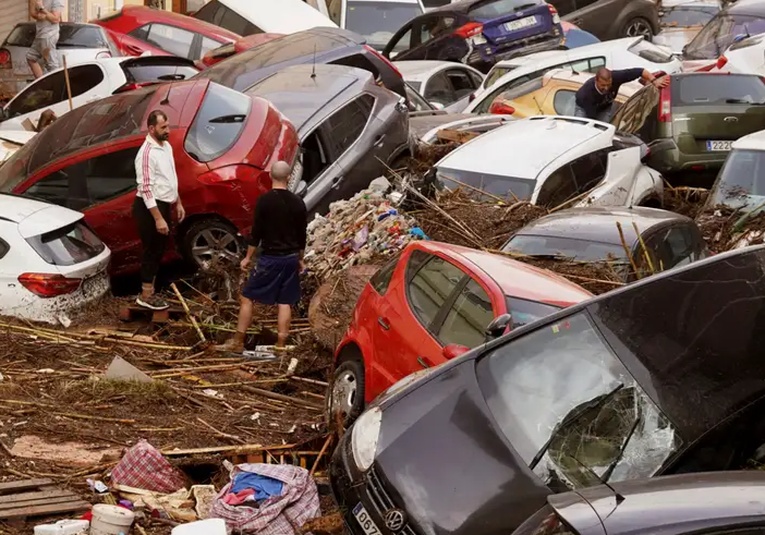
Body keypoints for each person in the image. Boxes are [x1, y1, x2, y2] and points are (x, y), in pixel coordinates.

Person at [216, 161, 307, 354]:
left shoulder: (264, 201)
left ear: (270, 177)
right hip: (290, 258)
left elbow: (255, 233)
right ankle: (281, 345)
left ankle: (238, 340)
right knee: (285, 302)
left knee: (247, 297)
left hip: (271, 259)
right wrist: (300, 259)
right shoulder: (298, 202)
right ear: (289, 177)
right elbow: (301, 235)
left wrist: (247, 258)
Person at [133, 110, 185, 311]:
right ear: (152, 128)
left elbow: (170, 177)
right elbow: (146, 188)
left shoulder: (166, 146)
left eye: (168, 126)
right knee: (152, 249)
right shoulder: (146, 153)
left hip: (165, 203)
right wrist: (158, 218)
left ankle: (151, 290)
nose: (167, 130)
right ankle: (146, 294)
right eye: (163, 127)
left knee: (161, 248)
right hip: (149, 208)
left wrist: (178, 201)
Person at [574, 67, 669, 122]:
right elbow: (592, 119)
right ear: (596, 81)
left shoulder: (617, 76)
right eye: (603, 85)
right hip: (584, 108)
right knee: (584, 131)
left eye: (609, 85)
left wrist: (654, 81)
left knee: (604, 131)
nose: (606, 88)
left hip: (605, 106)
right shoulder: (586, 93)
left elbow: (641, 71)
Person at [27, 0, 64, 79]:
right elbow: (33, 13)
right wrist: (38, 15)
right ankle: (42, 83)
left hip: (48, 35)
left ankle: (57, 88)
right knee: (30, 57)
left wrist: (42, 9)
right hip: (40, 34)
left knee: (52, 66)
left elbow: (55, 19)